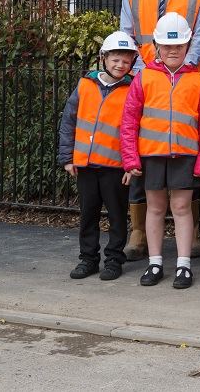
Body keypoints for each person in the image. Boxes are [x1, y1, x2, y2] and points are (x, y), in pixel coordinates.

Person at [120, 0, 200, 263]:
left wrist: (176, 70)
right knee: (146, 155)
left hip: (184, 80)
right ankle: (139, 232)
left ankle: (193, 231)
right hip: (146, 81)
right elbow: (128, 36)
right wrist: (150, 72)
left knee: (187, 152)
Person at [119, 13, 200, 290]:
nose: (173, 50)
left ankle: (183, 265)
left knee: (182, 207)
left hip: (185, 154)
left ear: (187, 46)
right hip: (152, 154)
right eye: (167, 45)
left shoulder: (197, 80)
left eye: (179, 45)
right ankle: (156, 262)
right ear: (157, 46)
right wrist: (130, 157)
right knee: (156, 208)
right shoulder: (144, 77)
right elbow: (129, 120)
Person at [58, 32, 139, 281]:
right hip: (86, 164)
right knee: (88, 215)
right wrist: (67, 157)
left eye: (126, 62)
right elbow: (68, 121)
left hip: (116, 166)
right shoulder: (85, 85)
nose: (120, 65)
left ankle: (114, 259)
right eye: (115, 59)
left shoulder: (133, 89)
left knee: (117, 216)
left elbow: (137, 129)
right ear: (103, 58)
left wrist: (131, 165)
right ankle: (88, 259)